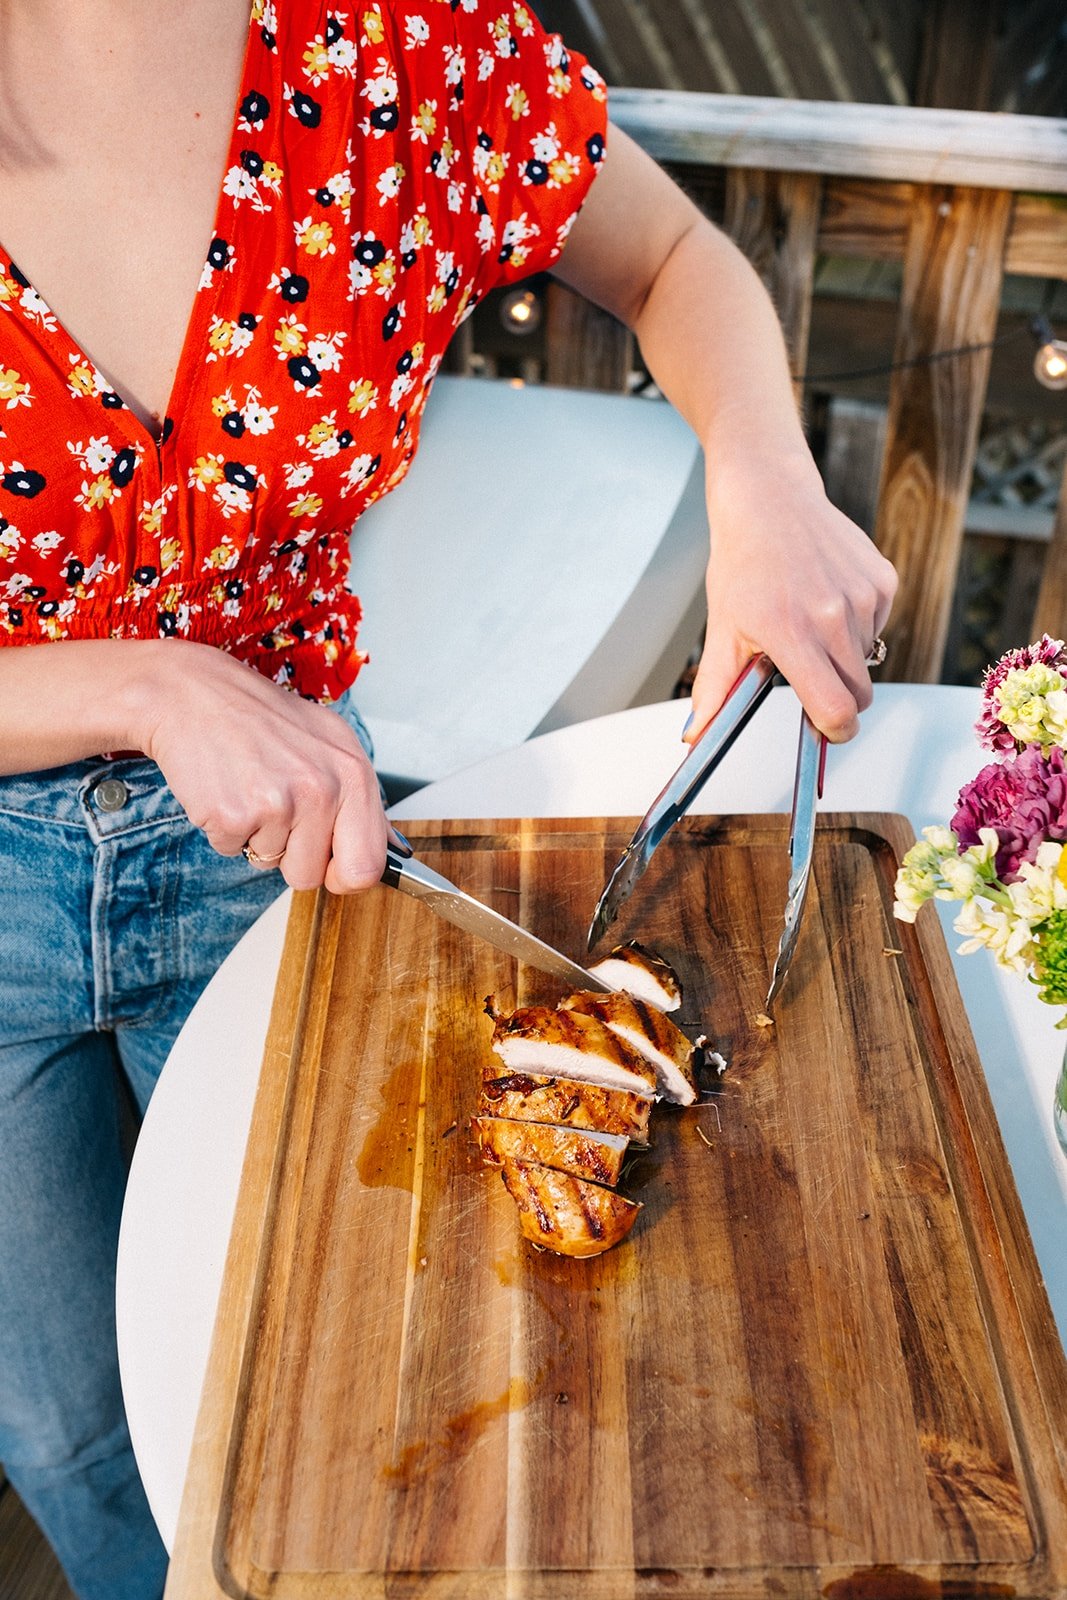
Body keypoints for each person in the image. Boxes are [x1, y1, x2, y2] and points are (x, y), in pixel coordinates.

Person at [0, 2, 896, 1596]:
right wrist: (130, 680)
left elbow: (672, 258)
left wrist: (766, 471)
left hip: (296, 838)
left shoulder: (390, 31)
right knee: (66, 1424)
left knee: (350, 1377)